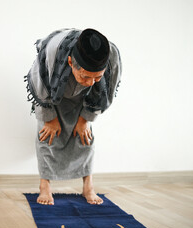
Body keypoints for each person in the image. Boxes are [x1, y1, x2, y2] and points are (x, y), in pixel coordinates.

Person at [24, 28, 122, 205]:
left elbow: (108, 91)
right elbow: (39, 84)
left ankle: (88, 187)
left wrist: (85, 119)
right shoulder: (53, 52)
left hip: (87, 98)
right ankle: (44, 186)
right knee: (47, 134)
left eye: (97, 77)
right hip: (52, 91)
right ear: (70, 62)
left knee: (85, 136)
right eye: (85, 76)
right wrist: (50, 118)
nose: (91, 82)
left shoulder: (111, 54)